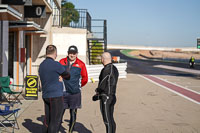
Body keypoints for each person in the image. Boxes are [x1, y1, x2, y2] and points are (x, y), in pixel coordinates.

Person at [39, 45, 70, 133]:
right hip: (56, 96)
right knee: (55, 121)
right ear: (55, 54)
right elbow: (67, 75)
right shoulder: (56, 64)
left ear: (46, 53)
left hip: (46, 95)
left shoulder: (41, 65)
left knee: (47, 120)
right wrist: (62, 76)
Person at [59, 45, 88, 133]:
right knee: (59, 114)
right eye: (70, 53)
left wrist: (77, 86)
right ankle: (56, 129)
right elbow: (57, 73)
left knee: (73, 114)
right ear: (68, 53)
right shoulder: (61, 62)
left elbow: (85, 78)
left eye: (74, 53)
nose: (72, 55)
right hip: (63, 93)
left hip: (75, 94)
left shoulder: (81, 64)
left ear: (77, 54)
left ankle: (70, 131)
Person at [92, 52, 119, 133]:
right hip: (112, 97)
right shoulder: (114, 68)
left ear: (103, 59)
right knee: (111, 120)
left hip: (106, 98)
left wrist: (97, 92)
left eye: (101, 58)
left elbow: (102, 85)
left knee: (107, 121)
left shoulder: (106, 69)